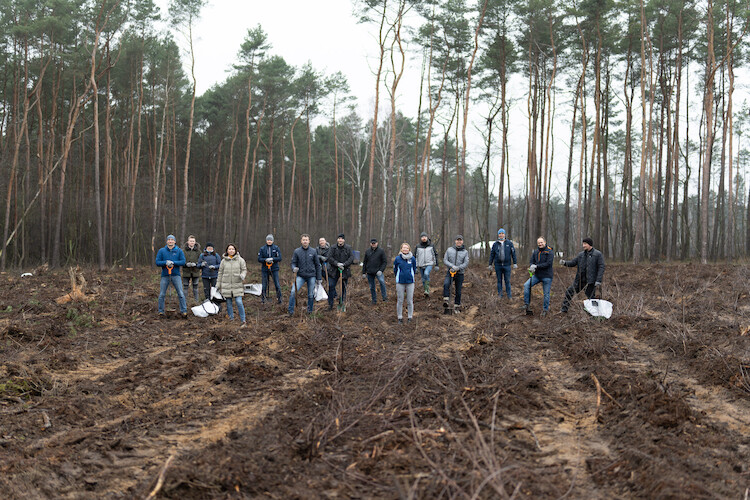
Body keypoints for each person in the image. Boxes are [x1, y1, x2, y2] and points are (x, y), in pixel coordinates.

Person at [559, 237, 606, 313]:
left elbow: (601, 267)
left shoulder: (597, 254)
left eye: (585, 244)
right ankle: (564, 310)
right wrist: (564, 263)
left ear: (589, 244)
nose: (583, 245)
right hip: (580, 280)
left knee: (592, 298)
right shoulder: (581, 255)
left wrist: (598, 280)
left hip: (591, 281)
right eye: (583, 244)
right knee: (569, 292)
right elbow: (573, 263)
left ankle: (595, 313)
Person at [154, 234, 188, 318]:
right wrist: (165, 262)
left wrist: (173, 262)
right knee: (162, 294)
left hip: (176, 275)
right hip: (165, 275)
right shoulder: (162, 251)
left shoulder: (179, 251)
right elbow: (157, 262)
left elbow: (183, 261)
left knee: (180, 293)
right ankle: (161, 311)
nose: (170, 241)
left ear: (175, 241)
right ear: (166, 241)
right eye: (169, 239)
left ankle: (184, 311)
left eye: (172, 240)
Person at [289, 234, 322, 315]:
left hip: (311, 276)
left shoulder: (313, 251)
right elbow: (293, 263)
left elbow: (317, 265)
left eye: (306, 240)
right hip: (301, 276)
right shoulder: (297, 251)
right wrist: (294, 268)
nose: (305, 241)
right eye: (303, 240)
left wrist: (319, 278)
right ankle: (290, 311)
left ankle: (310, 311)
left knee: (311, 295)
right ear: (301, 241)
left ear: (309, 241)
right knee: (293, 292)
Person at [523, 236, 554, 317]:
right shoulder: (536, 252)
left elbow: (548, 264)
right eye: (539, 243)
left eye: (541, 242)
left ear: (545, 242)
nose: (540, 244)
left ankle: (545, 310)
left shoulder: (549, 252)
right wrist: (531, 266)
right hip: (537, 275)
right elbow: (531, 261)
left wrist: (536, 266)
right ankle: (526, 304)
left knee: (546, 294)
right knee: (526, 286)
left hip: (547, 276)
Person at [217, 243, 247, 326]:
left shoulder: (240, 260)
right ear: (227, 250)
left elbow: (244, 270)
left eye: (233, 249)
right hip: (226, 286)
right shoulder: (223, 261)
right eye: (229, 249)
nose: (231, 250)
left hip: (237, 285)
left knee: (239, 302)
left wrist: (242, 275)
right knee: (228, 303)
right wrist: (218, 285)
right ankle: (231, 320)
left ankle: (243, 320)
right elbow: (220, 273)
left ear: (235, 250)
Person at [488, 229, 517, 298]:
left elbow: (513, 253)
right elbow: (492, 254)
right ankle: (500, 295)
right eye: (500, 233)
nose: (501, 235)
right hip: (498, 265)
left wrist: (515, 263)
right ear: (498, 235)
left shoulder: (509, 243)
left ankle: (509, 295)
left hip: (507, 265)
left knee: (507, 281)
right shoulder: (495, 244)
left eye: (502, 233)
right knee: (499, 281)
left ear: (504, 234)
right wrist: (490, 264)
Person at [327, 233, 354, 310]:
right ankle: (330, 304)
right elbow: (329, 257)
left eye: (341, 239)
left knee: (343, 288)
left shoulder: (348, 248)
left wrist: (344, 264)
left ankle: (341, 303)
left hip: (344, 271)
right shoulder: (333, 247)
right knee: (331, 286)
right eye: (339, 238)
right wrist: (337, 264)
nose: (340, 240)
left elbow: (351, 258)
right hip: (334, 271)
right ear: (337, 240)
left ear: (344, 240)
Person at [443, 235, 469, 312]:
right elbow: (445, 260)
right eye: (457, 240)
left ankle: (457, 306)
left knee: (458, 290)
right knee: (446, 284)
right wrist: (452, 266)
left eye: (460, 240)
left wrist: (458, 268)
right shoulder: (449, 250)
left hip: (460, 273)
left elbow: (466, 263)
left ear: (462, 242)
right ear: (455, 241)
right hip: (450, 271)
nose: (459, 242)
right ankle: (446, 300)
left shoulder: (465, 252)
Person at [394, 242, 417, 323]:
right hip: (400, 282)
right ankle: (400, 317)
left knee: (410, 300)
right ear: (401, 249)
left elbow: (414, 269)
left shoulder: (412, 259)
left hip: (410, 282)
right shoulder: (397, 259)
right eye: (404, 248)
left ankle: (410, 317)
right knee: (400, 300)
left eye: (407, 248)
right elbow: (395, 270)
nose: (405, 249)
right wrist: (398, 277)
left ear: (409, 249)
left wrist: (411, 276)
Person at [257, 234, 282, 304]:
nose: (269, 241)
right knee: (264, 284)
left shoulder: (276, 248)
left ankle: (280, 299)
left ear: (273, 241)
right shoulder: (262, 249)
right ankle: (263, 299)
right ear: (266, 241)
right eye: (268, 240)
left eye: (270, 240)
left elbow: (279, 258)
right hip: (265, 269)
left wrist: (273, 259)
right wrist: (265, 260)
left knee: (277, 284)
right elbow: (259, 259)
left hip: (274, 269)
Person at [362, 238, 387, 304]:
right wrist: (364, 272)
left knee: (382, 283)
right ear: (370, 244)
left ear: (377, 243)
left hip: (378, 272)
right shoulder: (367, 251)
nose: (373, 244)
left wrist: (381, 270)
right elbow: (365, 262)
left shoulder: (381, 251)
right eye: (372, 243)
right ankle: (374, 300)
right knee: (372, 287)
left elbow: (384, 262)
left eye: (374, 243)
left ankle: (384, 298)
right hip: (370, 272)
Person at [415, 232, 439, 297]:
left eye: (425, 237)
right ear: (421, 238)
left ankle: (427, 290)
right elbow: (415, 256)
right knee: (423, 279)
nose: (424, 238)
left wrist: (436, 264)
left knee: (426, 273)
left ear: (427, 237)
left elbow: (435, 254)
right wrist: (415, 267)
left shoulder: (431, 245)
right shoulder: (418, 246)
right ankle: (426, 290)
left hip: (429, 263)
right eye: (422, 237)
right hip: (421, 264)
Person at [182, 235, 202, 304]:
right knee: (185, 287)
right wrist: (185, 264)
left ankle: (196, 302)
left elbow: (201, 261)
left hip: (195, 271)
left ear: (195, 242)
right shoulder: (183, 251)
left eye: (193, 241)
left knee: (195, 288)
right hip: (186, 272)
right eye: (190, 241)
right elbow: (181, 261)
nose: (192, 242)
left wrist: (196, 264)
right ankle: (184, 302)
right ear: (188, 242)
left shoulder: (198, 251)